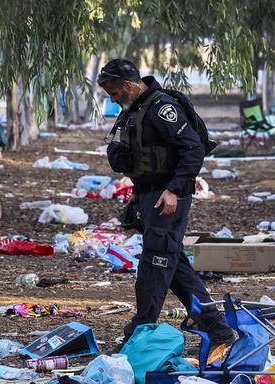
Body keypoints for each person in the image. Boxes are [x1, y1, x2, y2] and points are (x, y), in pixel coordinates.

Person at [97, 58, 236, 349]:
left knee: (154, 264)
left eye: (115, 93)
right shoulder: (135, 109)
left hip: (169, 198)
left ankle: (140, 331)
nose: (113, 99)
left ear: (129, 85)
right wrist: (138, 194)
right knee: (173, 264)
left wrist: (173, 190)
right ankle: (217, 328)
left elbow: (193, 149)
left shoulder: (162, 108)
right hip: (150, 195)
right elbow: (142, 157)